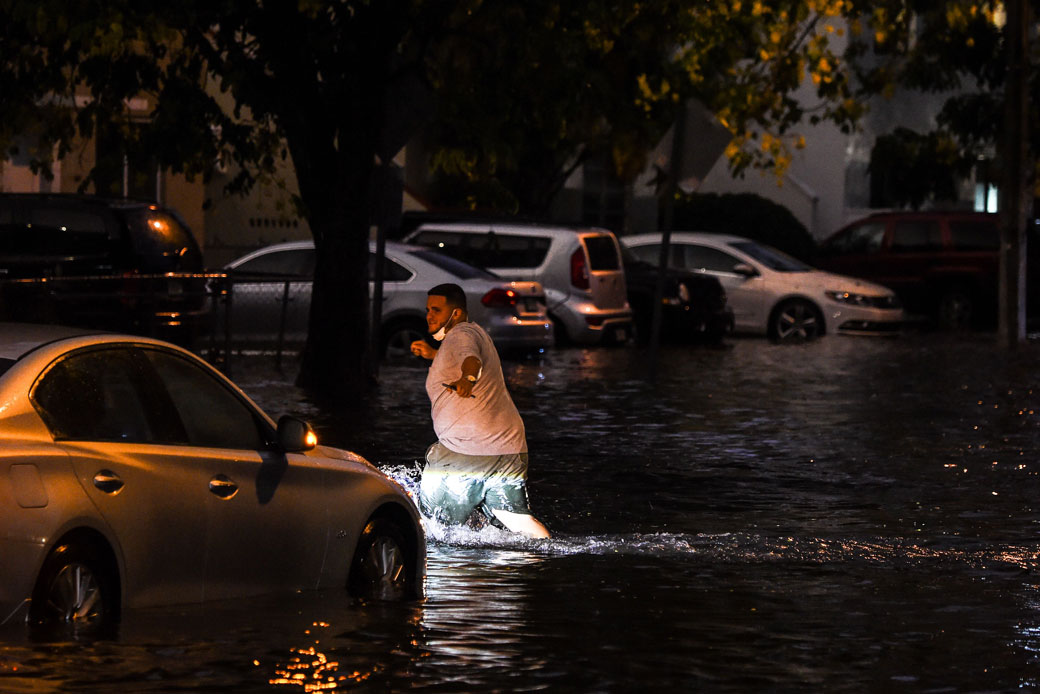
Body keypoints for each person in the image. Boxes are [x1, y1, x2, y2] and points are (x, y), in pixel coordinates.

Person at [410, 283, 551, 538]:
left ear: (456, 313)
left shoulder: (460, 335)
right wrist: (433, 355)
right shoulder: (474, 333)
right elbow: (461, 356)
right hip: (507, 446)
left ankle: (446, 574)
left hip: (468, 450)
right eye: (428, 309)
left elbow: (470, 360)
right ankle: (546, 555)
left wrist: (468, 379)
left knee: (434, 527)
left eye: (437, 310)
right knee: (515, 519)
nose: (429, 315)